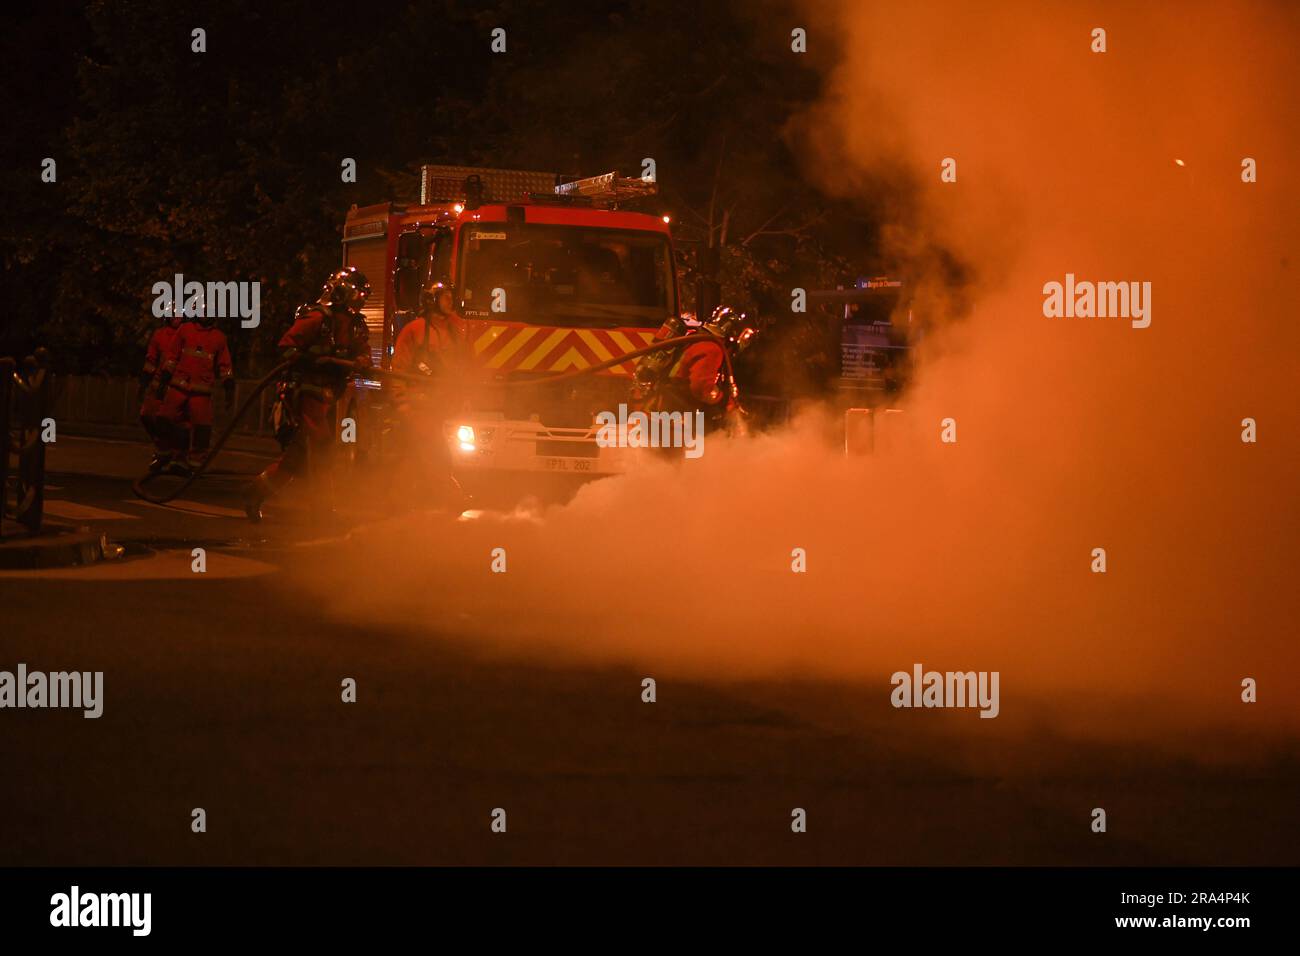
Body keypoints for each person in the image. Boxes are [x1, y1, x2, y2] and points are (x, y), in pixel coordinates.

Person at [243, 267, 371, 522]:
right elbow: (286, 348)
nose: (360, 300)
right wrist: (315, 359)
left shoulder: (355, 324)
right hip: (305, 391)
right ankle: (323, 509)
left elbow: (363, 351)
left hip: (329, 395)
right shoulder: (317, 319)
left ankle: (256, 492)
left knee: (297, 458)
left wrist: (362, 360)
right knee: (323, 446)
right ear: (344, 292)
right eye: (357, 294)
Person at [389, 281, 467, 509]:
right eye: (445, 297)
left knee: (416, 457)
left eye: (451, 296)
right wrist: (403, 404)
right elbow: (399, 369)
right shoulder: (414, 330)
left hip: (440, 408)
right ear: (432, 301)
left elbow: (461, 368)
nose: (450, 301)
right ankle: (445, 499)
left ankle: (402, 503)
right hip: (418, 408)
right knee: (433, 453)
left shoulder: (454, 332)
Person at [155, 293, 235, 472]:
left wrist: (229, 384)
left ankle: (194, 462)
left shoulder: (219, 338)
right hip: (178, 386)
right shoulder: (184, 330)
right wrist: (164, 379)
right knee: (164, 419)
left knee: (202, 427)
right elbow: (172, 356)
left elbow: (225, 365)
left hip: (201, 391)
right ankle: (167, 453)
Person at [139, 297, 185, 471]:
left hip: (177, 385)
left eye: (180, 314)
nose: (177, 317)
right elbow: (151, 360)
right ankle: (163, 449)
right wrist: (144, 381)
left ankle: (179, 456)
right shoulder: (159, 335)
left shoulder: (187, 334)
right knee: (146, 415)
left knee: (176, 422)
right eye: (174, 313)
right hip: (158, 385)